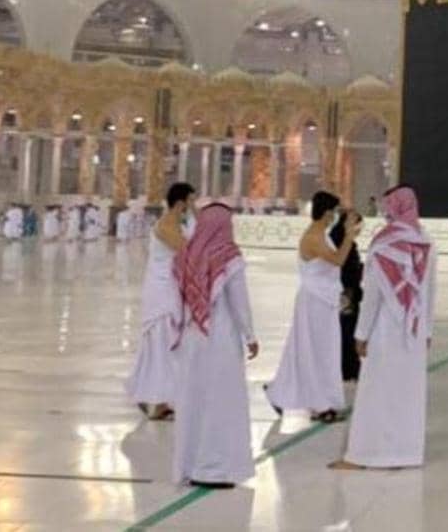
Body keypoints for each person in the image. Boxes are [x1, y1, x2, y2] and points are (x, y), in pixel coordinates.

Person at [333, 185, 438, 470]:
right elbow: (430, 292)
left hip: (385, 331)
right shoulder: (426, 242)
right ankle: (404, 452)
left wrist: (361, 334)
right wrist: (427, 331)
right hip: (415, 331)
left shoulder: (384, 243)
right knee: (407, 393)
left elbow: (374, 296)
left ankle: (366, 454)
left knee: (377, 392)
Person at [169, 203, 258, 488]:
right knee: (219, 400)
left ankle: (189, 464)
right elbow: (239, 301)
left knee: (193, 400)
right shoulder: (228, 256)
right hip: (220, 337)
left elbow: (175, 299)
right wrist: (250, 336)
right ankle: (213, 468)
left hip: (192, 337)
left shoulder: (185, 255)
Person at [266, 192, 361, 421]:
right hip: (315, 302)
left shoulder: (321, 234)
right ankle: (320, 403)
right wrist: (349, 235)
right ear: (327, 213)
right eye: (335, 212)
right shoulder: (314, 237)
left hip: (323, 300)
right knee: (316, 352)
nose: (336, 216)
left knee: (318, 351)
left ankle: (294, 396)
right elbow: (338, 260)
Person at [127, 182, 196, 420]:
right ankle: (155, 397)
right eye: (191, 201)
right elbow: (188, 251)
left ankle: (159, 397)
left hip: (172, 287)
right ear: (181, 202)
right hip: (162, 291)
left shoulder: (178, 223)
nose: (193, 205)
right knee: (162, 342)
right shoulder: (166, 225)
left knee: (170, 344)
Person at [335, 208, 365, 385]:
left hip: (348, 293)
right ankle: (348, 368)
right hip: (344, 295)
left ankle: (349, 367)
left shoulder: (346, 241)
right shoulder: (340, 241)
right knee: (346, 330)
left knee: (347, 329)